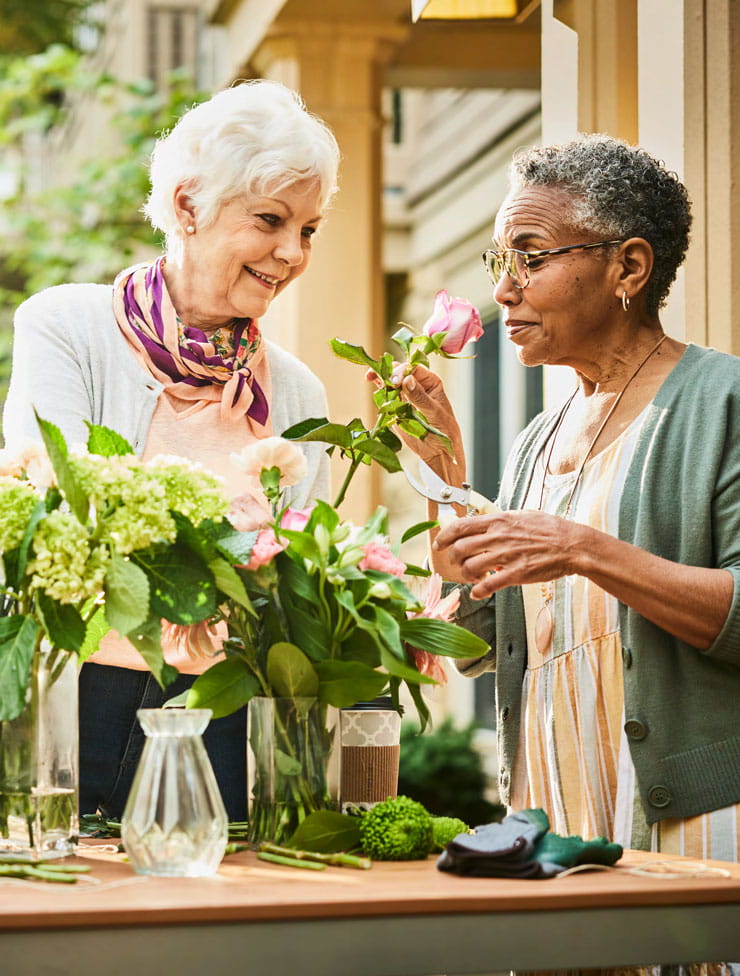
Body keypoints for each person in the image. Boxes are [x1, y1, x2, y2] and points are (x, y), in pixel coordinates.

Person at [391, 133, 740, 864]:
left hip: (693, 824)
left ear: (630, 266)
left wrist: (583, 549)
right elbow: (484, 648)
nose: (504, 288)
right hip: (550, 824)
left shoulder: (724, 402)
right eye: (499, 260)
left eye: (532, 255)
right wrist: (448, 484)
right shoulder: (534, 443)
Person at [2, 79, 340, 821]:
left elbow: (286, 588)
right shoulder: (67, 328)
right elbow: (53, 511)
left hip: (223, 711)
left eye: (309, 229)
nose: (291, 252)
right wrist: (227, 496)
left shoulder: (298, 393)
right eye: (270, 219)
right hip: (78, 697)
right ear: (187, 207)